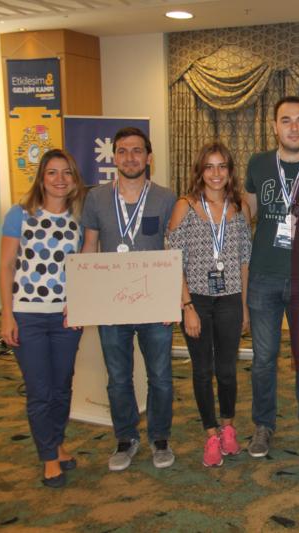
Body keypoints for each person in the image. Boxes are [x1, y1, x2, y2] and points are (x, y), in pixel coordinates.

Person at [81, 127, 177, 471]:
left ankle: (160, 438)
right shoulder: (96, 198)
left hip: (154, 305)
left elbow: (174, 249)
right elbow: (89, 247)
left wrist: (173, 300)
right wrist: (84, 299)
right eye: (122, 151)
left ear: (149, 157)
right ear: (114, 157)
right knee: (118, 377)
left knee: (160, 376)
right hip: (113, 306)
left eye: (137, 151)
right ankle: (125, 438)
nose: (130, 158)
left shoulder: (166, 198)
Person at [244, 96, 299, 457]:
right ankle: (263, 425)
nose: (293, 127)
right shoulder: (258, 163)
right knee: (263, 359)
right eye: (286, 120)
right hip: (263, 275)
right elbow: (245, 214)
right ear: (274, 126)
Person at [0, 149, 86, 488]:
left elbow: (83, 268)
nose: (59, 179)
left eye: (66, 172)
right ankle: (49, 456)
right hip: (27, 317)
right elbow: (7, 266)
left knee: (62, 387)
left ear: (74, 179)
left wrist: (80, 305)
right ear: (42, 177)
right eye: (52, 172)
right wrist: (7, 315)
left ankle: (57, 442)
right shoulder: (19, 214)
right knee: (40, 390)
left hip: (65, 318)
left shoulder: (79, 218)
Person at [167, 142, 252, 467]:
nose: (216, 173)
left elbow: (244, 261)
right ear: (200, 171)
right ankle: (211, 433)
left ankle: (228, 427)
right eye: (209, 167)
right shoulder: (185, 206)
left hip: (230, 299)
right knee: (202, 370)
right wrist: (186, 305)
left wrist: (244, 306)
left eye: (222, 166)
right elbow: (173, 260)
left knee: (227, 370)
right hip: (197, 301)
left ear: (230, 171)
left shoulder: (240, 208)